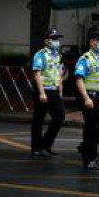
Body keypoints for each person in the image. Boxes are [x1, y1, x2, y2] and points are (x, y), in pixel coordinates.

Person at [73, 29, 99, 170]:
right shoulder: (85, 59)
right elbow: (79, 80)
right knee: (91, 128)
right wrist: (86, 98)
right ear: (91, 42)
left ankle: (86, 147)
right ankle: (89, 158)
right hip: (90, 98)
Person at [30, 28, 66, 157]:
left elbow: (59, 73)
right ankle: (36, 148)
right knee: (38, 119)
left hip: (54, 90)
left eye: (58, 39)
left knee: (60, 116)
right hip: (43, 91)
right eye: (54, 39)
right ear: (47, 41)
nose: (57, 41)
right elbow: (37, 74)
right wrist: (41, 93)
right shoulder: (40, 54)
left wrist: (60, 90)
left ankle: (45, 144)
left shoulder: (57, 55)